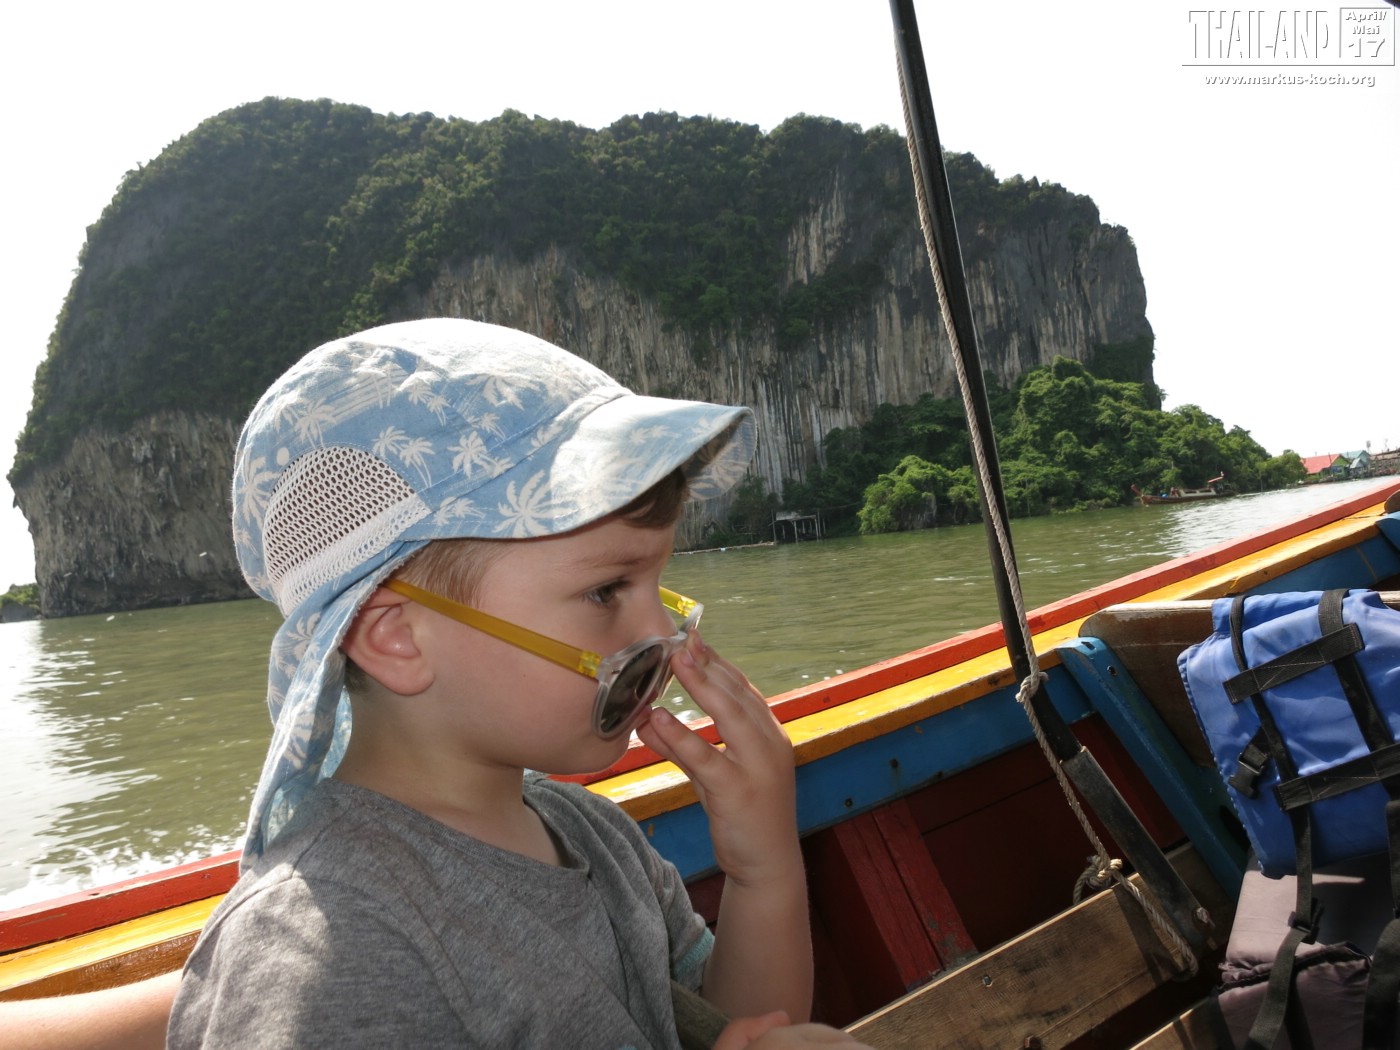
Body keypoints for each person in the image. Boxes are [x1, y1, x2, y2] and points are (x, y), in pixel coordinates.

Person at [158, 317, 869, 1048]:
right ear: (397, 637)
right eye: (607, 591)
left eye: (658, 582)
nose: (664, 630)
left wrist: (762, 868)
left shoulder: (593, 834)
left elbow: (738, 1029)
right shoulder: (327, 949)